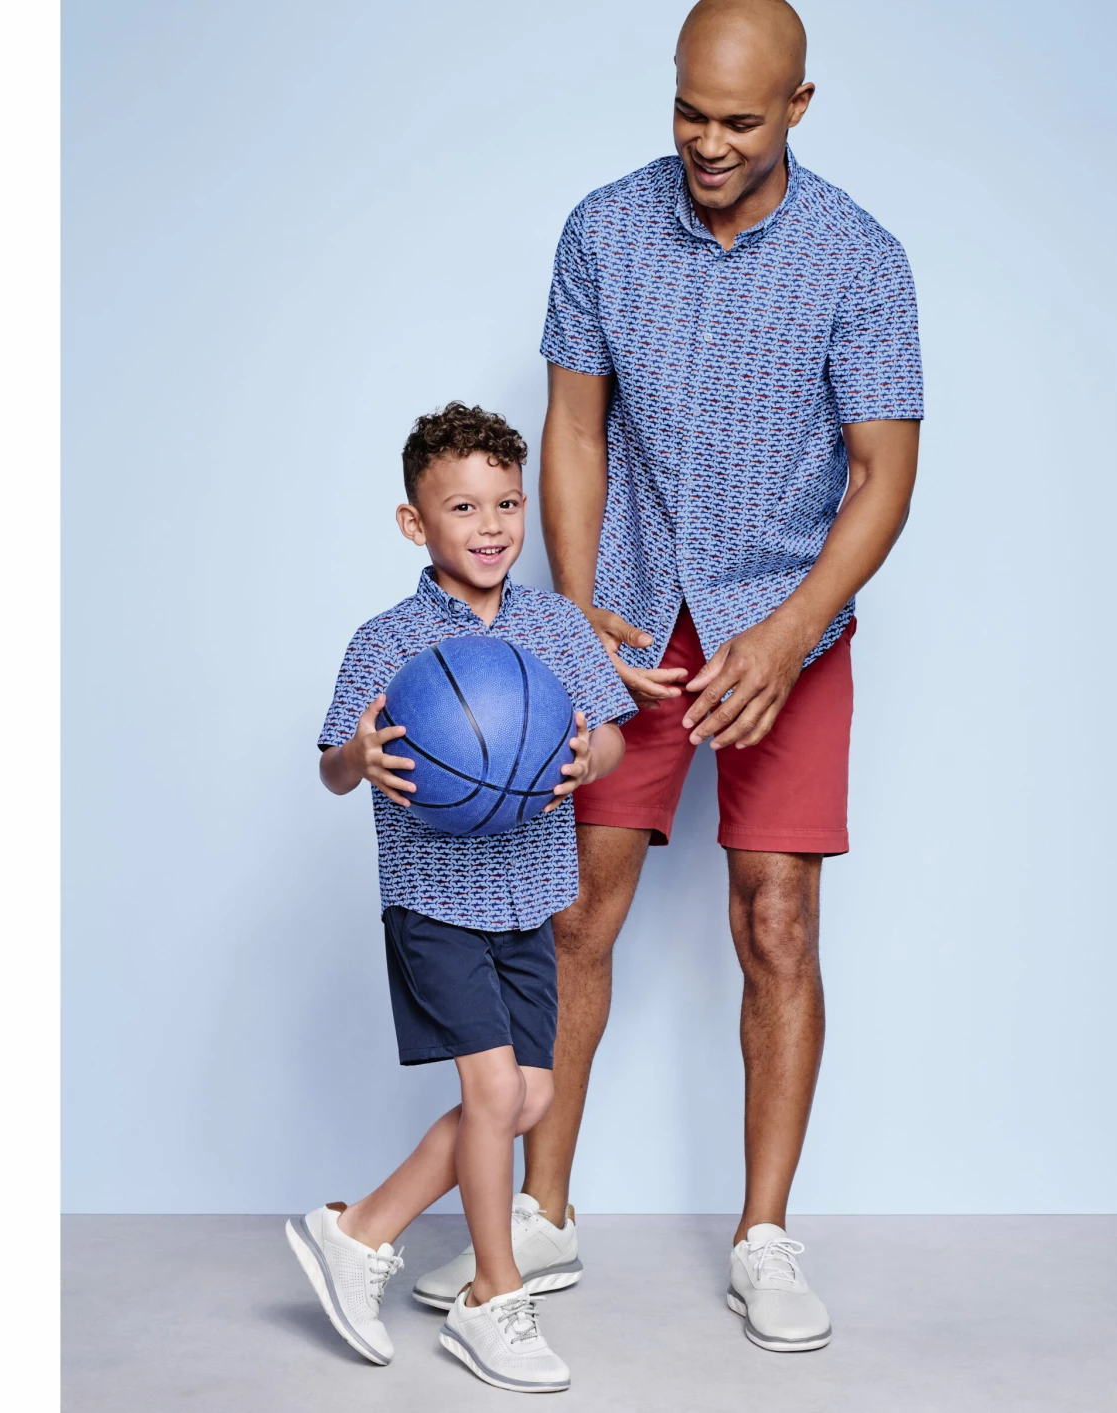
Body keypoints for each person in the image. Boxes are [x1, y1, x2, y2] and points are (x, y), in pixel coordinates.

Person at [413, 0, 923, 1354]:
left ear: (798, 107)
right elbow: (573, 429)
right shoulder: (604, 229)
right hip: (634, 621)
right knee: (576, 913)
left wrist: (789, 632)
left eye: (739, 120)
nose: (708, 141)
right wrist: (580, 613)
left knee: (778, 924)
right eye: (690, 110)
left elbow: (884, 475)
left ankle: (764, 1235)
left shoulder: (864, 258)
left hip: (789, 624)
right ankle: (543, 1213)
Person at [286, 402, 634, 1393]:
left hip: (531, 896)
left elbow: (610, 734)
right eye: (464, 507)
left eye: (507, 504)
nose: (491, 526)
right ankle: (494, 1294)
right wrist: (359, 757)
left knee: (530, 1095)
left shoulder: (557, 625)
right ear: (415, 522)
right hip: (434, 901)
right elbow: (332, 765)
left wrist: (588, 756)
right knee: (492, 1093)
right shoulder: (387, 640)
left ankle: (358, 1232)